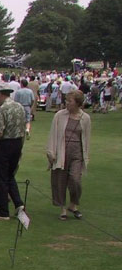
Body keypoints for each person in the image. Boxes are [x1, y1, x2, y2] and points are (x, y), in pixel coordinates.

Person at [46, 90, 91, 220]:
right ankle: (63, 208)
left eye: (69, 101)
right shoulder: (59, 115)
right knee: (60, 180)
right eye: (66, 100)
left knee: (75, 180)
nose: (67, 103)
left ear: (77, 103)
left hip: (77, 153)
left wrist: (86, 156)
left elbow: (87, 138)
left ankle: (73, 204)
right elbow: (53, 134)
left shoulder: (86, 118)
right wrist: (51, 152)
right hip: (61, 151)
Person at [0, 83, 27, 220]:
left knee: (0, 177)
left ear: (0, 94)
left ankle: (2, 211)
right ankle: (18, 203)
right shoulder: (20, 107)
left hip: (4, 144)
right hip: (17, 143)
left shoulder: (2, 109)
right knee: (10, 175)